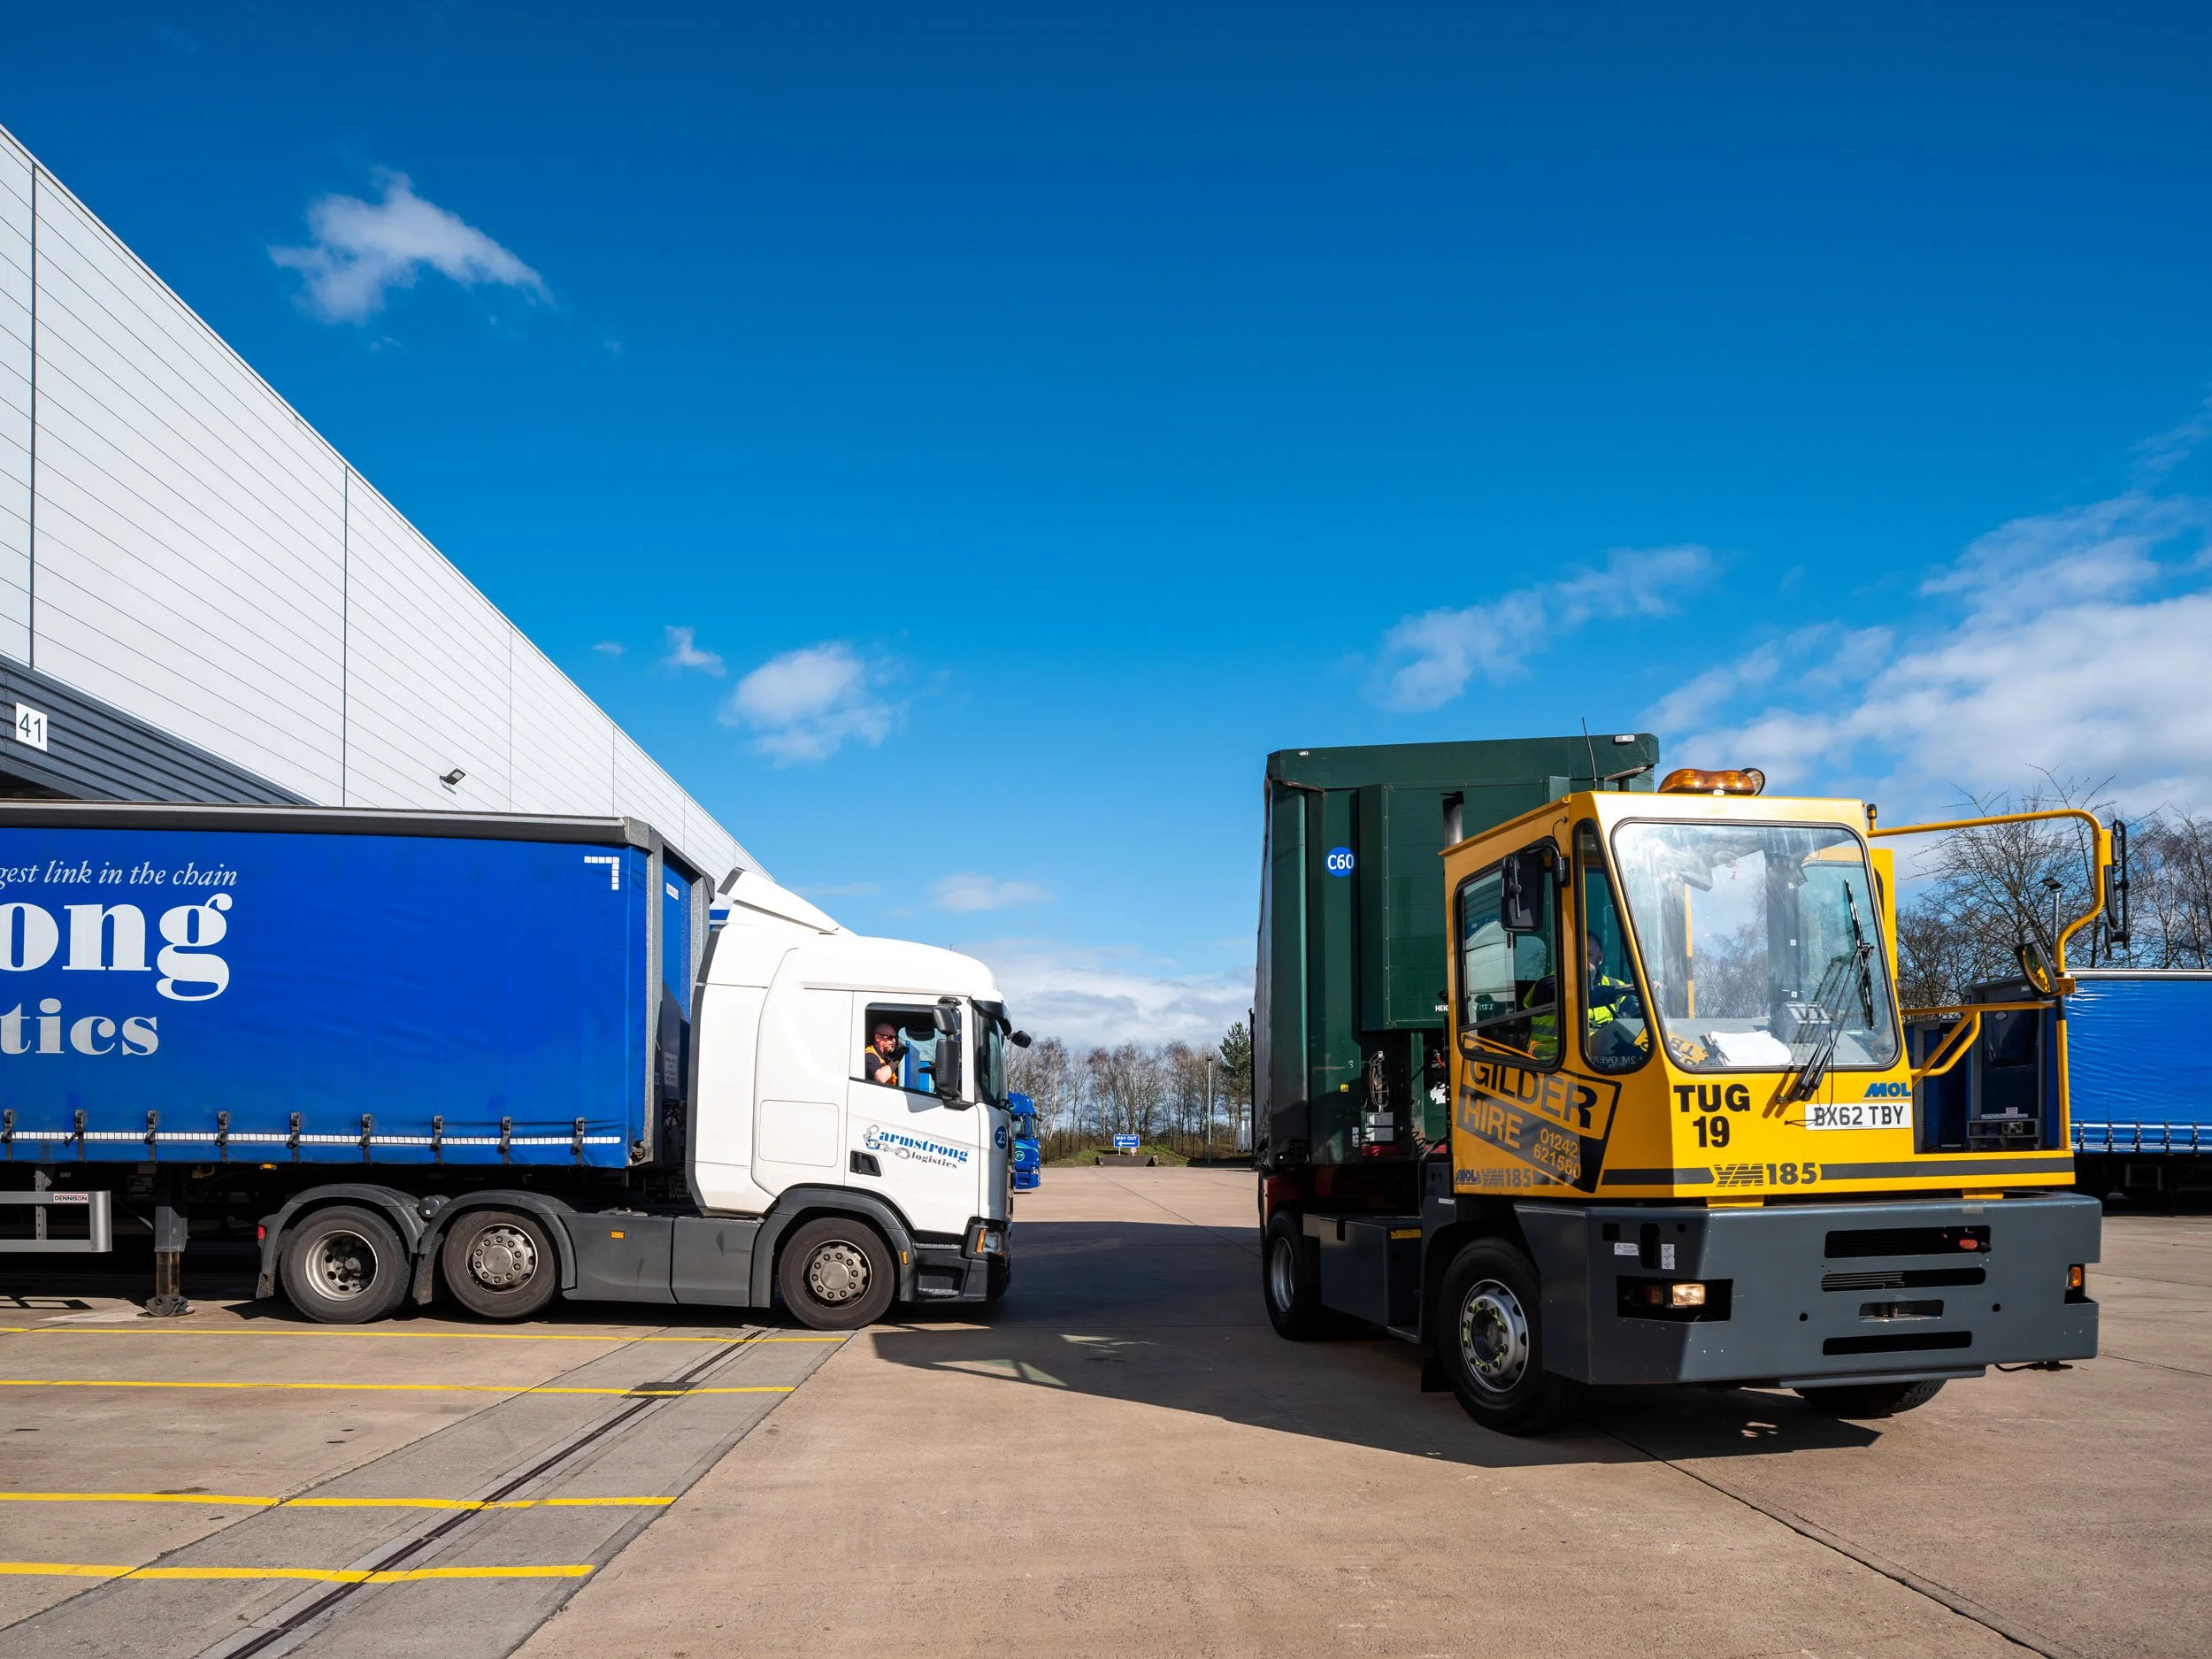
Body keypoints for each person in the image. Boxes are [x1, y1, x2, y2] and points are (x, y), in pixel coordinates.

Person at [863, 1020, 906, 1087]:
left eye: (895, 1038)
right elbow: (880, 1078)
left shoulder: (885, 1058)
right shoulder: (870, 1055)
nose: (894, 1041)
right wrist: (897, 1058)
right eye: (890, 1037)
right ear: (878, 1038)